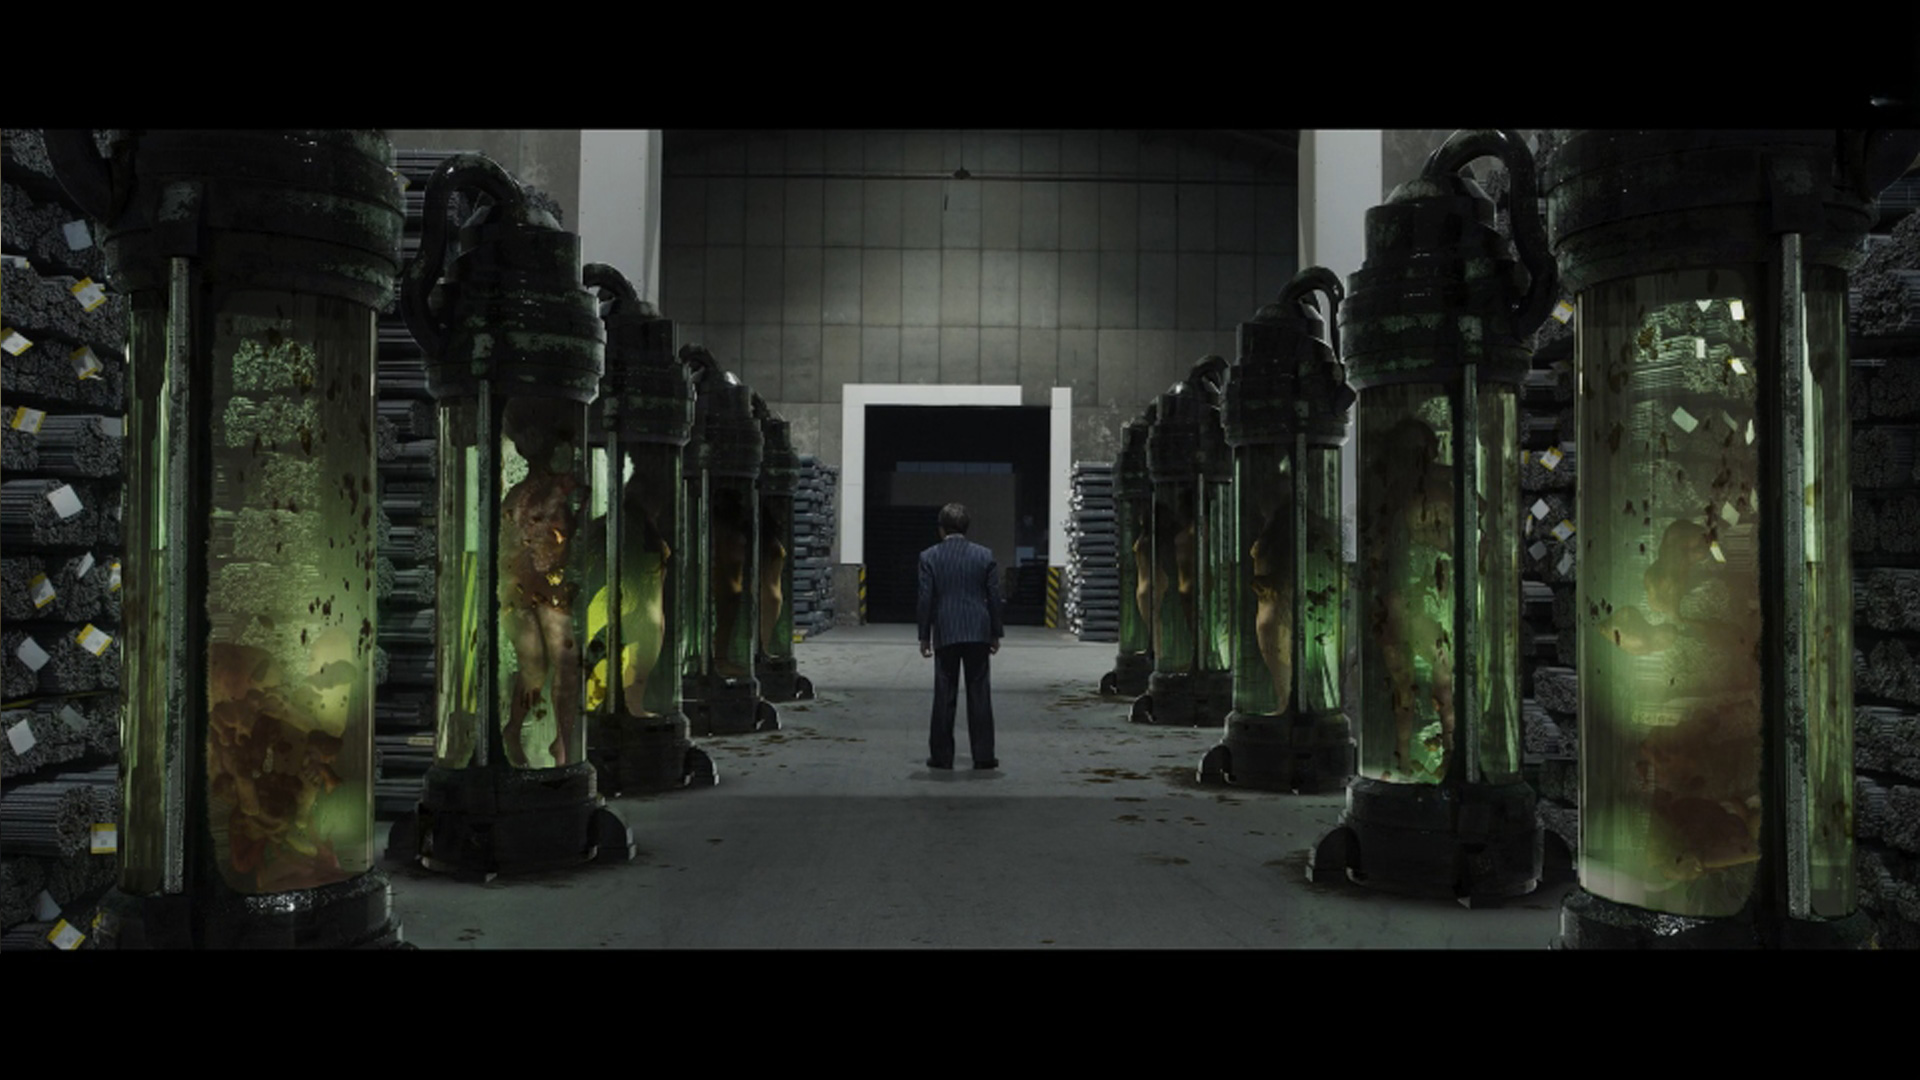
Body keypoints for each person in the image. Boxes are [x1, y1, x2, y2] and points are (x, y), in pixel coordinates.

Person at [917, 502, 1004, 770]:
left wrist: (924, 636)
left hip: (947, 630)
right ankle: (984, 756)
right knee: (980, 694)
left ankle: (942, 757)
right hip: (978, 630)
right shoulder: (984, 555)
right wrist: (995, 632)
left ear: (941, 529)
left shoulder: (929, 557)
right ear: (967, 527)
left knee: (944, 695)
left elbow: (925, 599)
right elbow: (994, 597)